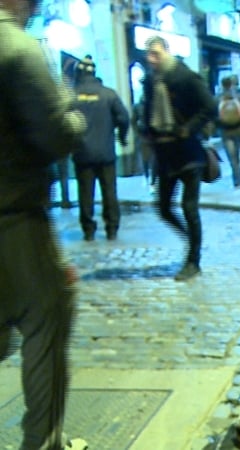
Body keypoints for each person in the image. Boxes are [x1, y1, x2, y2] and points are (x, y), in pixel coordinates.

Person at [0, 0, 87, 448]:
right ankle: (42, 442)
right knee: (48, 316)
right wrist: (70, 104)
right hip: (14, 221)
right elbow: (57, 135)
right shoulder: (17, 47)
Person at [142, 35, 216, 281]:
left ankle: (193, 261)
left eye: (156, 54)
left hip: (188, 153)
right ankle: (192, 240)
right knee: (162, 208)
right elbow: (147, 110)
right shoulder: (150, 81)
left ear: (166, 52)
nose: (152, 60)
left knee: (189, 207)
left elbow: (209, 107)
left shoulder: (185, 77)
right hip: (164, 153)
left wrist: (188, 128)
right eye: (149, 54)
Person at [71, 56, 130, 241]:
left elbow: (59, 122)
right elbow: (124, 117)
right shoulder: (108, 94)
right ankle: (112, 228)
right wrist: (121, 136)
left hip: (82, 153)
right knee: (109, 192)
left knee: (85, 193)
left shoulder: (71, 96)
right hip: (106, 152)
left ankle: (88, 229)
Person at [216, 75, 240, 188]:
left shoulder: (218, 98)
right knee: (239, 152)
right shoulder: (239, 97)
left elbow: (213, 116)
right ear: (231, 84)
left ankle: (236, 180)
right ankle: (238, 173)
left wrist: (219, 126)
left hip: (226, 132)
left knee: (232, 157)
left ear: (221, 85)